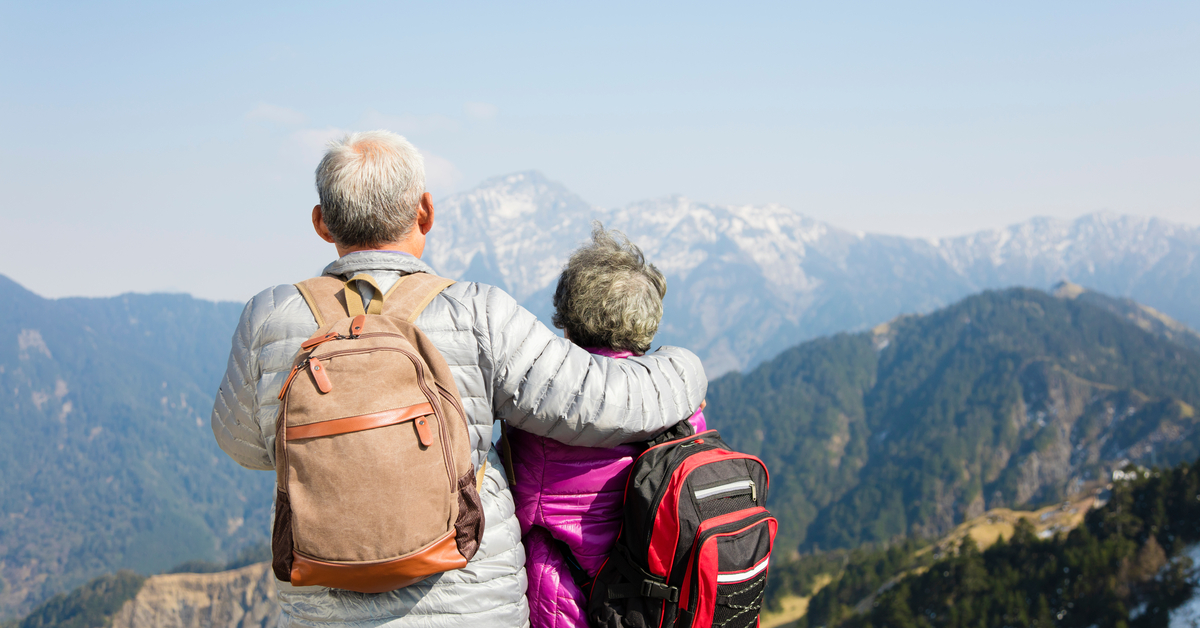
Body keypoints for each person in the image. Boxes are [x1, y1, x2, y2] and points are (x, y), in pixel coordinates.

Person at [210, 130, 707, 627]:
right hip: (468, 603)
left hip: (322, 607)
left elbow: (242, 444)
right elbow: (600, 401)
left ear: (321, 223)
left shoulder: (269, 318)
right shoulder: (476, 312)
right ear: (424, 211)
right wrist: (684, 365)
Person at [507, 226, 706, 628]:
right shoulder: (685, 407)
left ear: (569, 322)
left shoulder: (541, 423)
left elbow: (510, 511)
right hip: (655, 607)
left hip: (577, 610)